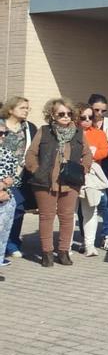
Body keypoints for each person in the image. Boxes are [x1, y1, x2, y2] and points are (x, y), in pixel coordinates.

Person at [25, 98, 93, 267]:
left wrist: (83, 169)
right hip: (46, 181)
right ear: (52, 115)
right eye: (61, 114)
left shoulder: (78, 132)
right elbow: (31, 154)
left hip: (71, 182)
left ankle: (63, 252)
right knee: (46, 216)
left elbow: (87, 154)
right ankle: (47, 253)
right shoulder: (44, 131)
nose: (66, 116)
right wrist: (36, 170)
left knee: (67, 217)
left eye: (69, 113)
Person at [1, 96, 35, 259]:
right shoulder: (1, 126)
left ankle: (12, 242)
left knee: (18, 209)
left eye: (28, 108)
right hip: (2, 176)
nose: (26, 110)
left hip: (20, 177)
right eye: (22, 107)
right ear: (10, 109)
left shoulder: (29, 128)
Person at [77, 105, 108, 257]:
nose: (87, 120)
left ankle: (89, 245)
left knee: (91, 210)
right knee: (69, 211)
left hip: (91, 174)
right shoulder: (71, 133)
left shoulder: (98, 133)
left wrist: (93, 154)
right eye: (83, 117)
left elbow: (105, 150)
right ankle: (65, 246)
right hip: (71, 174)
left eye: (91, 117)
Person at [87, 94, 108, 250]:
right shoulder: (84, 121)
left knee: (106, 201)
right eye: (96, 109)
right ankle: (87, 240)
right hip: (86, 165)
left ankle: (107, 235)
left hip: (104, 165)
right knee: (85, 201)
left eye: (103, 110)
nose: (99, 113)